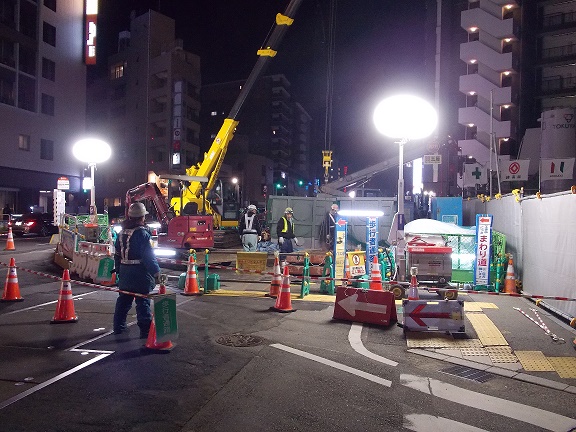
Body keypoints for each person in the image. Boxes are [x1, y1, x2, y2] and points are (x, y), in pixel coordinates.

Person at [113, 202, 161, 338]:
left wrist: (118, 270)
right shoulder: (142, 234)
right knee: (143, 302)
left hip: (125, 273)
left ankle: (119, 327)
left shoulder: (122, 232)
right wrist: (157, 273)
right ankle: (145, 332)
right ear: (142, 217)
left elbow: (116, 254)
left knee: (123, 301)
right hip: (140, 274)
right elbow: (148, 257)